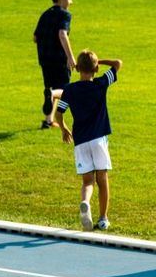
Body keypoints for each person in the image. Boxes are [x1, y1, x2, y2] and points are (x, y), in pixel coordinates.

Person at [51, 50, 122, 232]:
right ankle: (103, 218)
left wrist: (64, 129)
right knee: (103, 179)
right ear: (96, 69)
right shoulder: (101, 84)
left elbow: (59, 114)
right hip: (99, 139)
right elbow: (118, 63)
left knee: (87, 182)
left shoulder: (70, 90)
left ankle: (85, 202)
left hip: (81, 141)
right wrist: (100, 61)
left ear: (78, 69)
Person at [33, 0, 75, 130]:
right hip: (59, 59)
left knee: (51, 86)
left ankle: (48, 121)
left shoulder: (45, 14)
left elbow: (35, 37)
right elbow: (62, 34)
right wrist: (70, 57)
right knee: (64, 90)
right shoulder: (65, 15)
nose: (71, 2)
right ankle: (51, 95)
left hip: (44, 59)